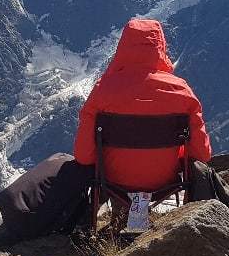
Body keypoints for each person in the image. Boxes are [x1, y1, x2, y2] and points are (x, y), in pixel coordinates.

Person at [73, 18, 211, 191]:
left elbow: (84, 156)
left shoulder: (103, 90)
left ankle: (119, 211)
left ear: (123, 46)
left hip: (112, 181)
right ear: (161, 46)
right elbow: (202, 154)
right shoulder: (182, 92)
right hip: (167, 181)